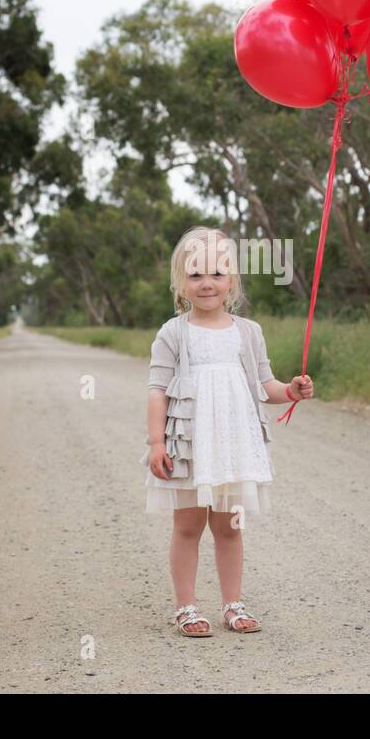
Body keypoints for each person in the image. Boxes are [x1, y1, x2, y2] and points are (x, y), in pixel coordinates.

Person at [145, 226, 313, 637]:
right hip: (189, 446)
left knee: (229, 527)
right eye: (196, 274)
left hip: (233, 445)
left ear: (232, 280)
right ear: (181, 282)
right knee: (187, 526)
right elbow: (157, 390)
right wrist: (155, 443)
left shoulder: (248, 332)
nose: (206, 283)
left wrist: (290, 391)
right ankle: (186, 606)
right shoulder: (174, 332)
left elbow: (265, 386)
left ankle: (232, 604)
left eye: (217, 274)